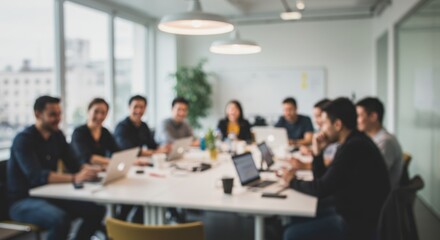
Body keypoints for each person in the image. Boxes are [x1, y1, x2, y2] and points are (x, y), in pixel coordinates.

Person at [282, 98, 390, 240]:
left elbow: (321, 189)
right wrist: (318, 153)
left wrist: (291, 181)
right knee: (295, 218)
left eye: (325, 123)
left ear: (338, 124)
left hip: (357, 223)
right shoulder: (354, 141)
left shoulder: (353, 148)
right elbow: (322, 180)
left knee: (291, 235)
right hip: (352, 210)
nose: (321, 129)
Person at [7, 96, 105, 240]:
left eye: (59, 114)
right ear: (37, 114)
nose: (58, 118)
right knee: (60, 219)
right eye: (52, 114)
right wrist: (75, 178)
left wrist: (89, 170)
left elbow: (74, 164)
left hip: (50, 196)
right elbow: (36, 176)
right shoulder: (23, 140)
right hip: (22, 201)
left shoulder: (57, 135)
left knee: (96, 210)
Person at [356, 97, 403, 189]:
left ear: (373, 116)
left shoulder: (385, 142)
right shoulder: (370, 138)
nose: (356, 120)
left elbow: (371, 175)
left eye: (359, 116)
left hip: (379, 197)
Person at [71, 98, 119, 168]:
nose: (99, 116)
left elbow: (117, 152)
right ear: (88, 111)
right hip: (81, 172)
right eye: (96, 112)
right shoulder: (78, 132)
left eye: (103, 113)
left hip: (101, 171)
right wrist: (112, 162)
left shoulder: (105, 132)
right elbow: (87, 157)